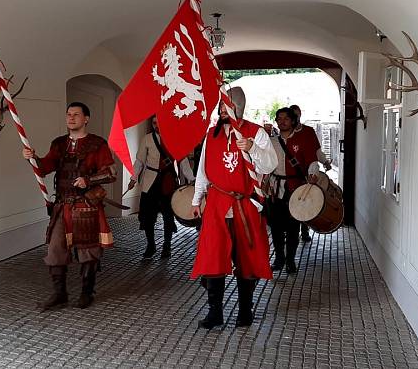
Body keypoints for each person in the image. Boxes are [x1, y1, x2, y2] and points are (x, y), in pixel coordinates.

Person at [190, 87, 278, 328]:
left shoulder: (255, 132)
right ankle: (215, 312)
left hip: (245, 204)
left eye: (226, 106)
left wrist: (252, 148)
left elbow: (270, 165)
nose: (221, 110)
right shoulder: (212, 134)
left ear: (237, 107)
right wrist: (197, 199)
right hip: (218, 204)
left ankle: (245, 311)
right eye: (220, 107)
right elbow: (203, 170)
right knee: (213, 256)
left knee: (247, 259)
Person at [22, 102, 117, 310]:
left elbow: (111, 173)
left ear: (86, 119)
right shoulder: (59, 144)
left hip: (86, 206)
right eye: (68, 114)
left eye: (76, 114)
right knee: (55, 249)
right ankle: (60, 294)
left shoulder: (97, 144)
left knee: (88, 252)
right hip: (62, 205)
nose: (71, 118)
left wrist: (88, 180)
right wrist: (33, 159)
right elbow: (45, 168)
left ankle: (86, 292)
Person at [128, 116, 195, 260]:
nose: (156, 125)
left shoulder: (175, 139)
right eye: (154, 123)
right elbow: (139, 161)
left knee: (168, 217)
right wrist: (133, 178)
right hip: (150, 182)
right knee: (148, 217)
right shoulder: (147, 139)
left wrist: (193, 180)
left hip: (168, 181)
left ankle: (167, 246)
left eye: (159, 122)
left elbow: (183, 163)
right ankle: (150, 246)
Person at [267, 107, 320, 274]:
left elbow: (312, 161)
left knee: (292, 227)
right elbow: (265, 165)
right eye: (279, 118)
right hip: (276, 190)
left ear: (292, 121)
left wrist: (313, 174)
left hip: (296, 189)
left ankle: (290, 260)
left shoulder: (302, 139)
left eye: (286, 118)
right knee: (275, 227)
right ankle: (279, 258)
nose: (282, 121)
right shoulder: (272, 141)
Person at [289, 104, 331, 242]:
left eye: (296, 114)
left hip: (307, 174)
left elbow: (316, 151)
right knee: (293, 202)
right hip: (290, 176)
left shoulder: (309, 131)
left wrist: (325, 162)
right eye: (292, 115)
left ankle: (305, 229)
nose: (295, 118)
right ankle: (291, 231)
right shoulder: (285, 133)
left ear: (300, 114)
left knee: (307, 201)